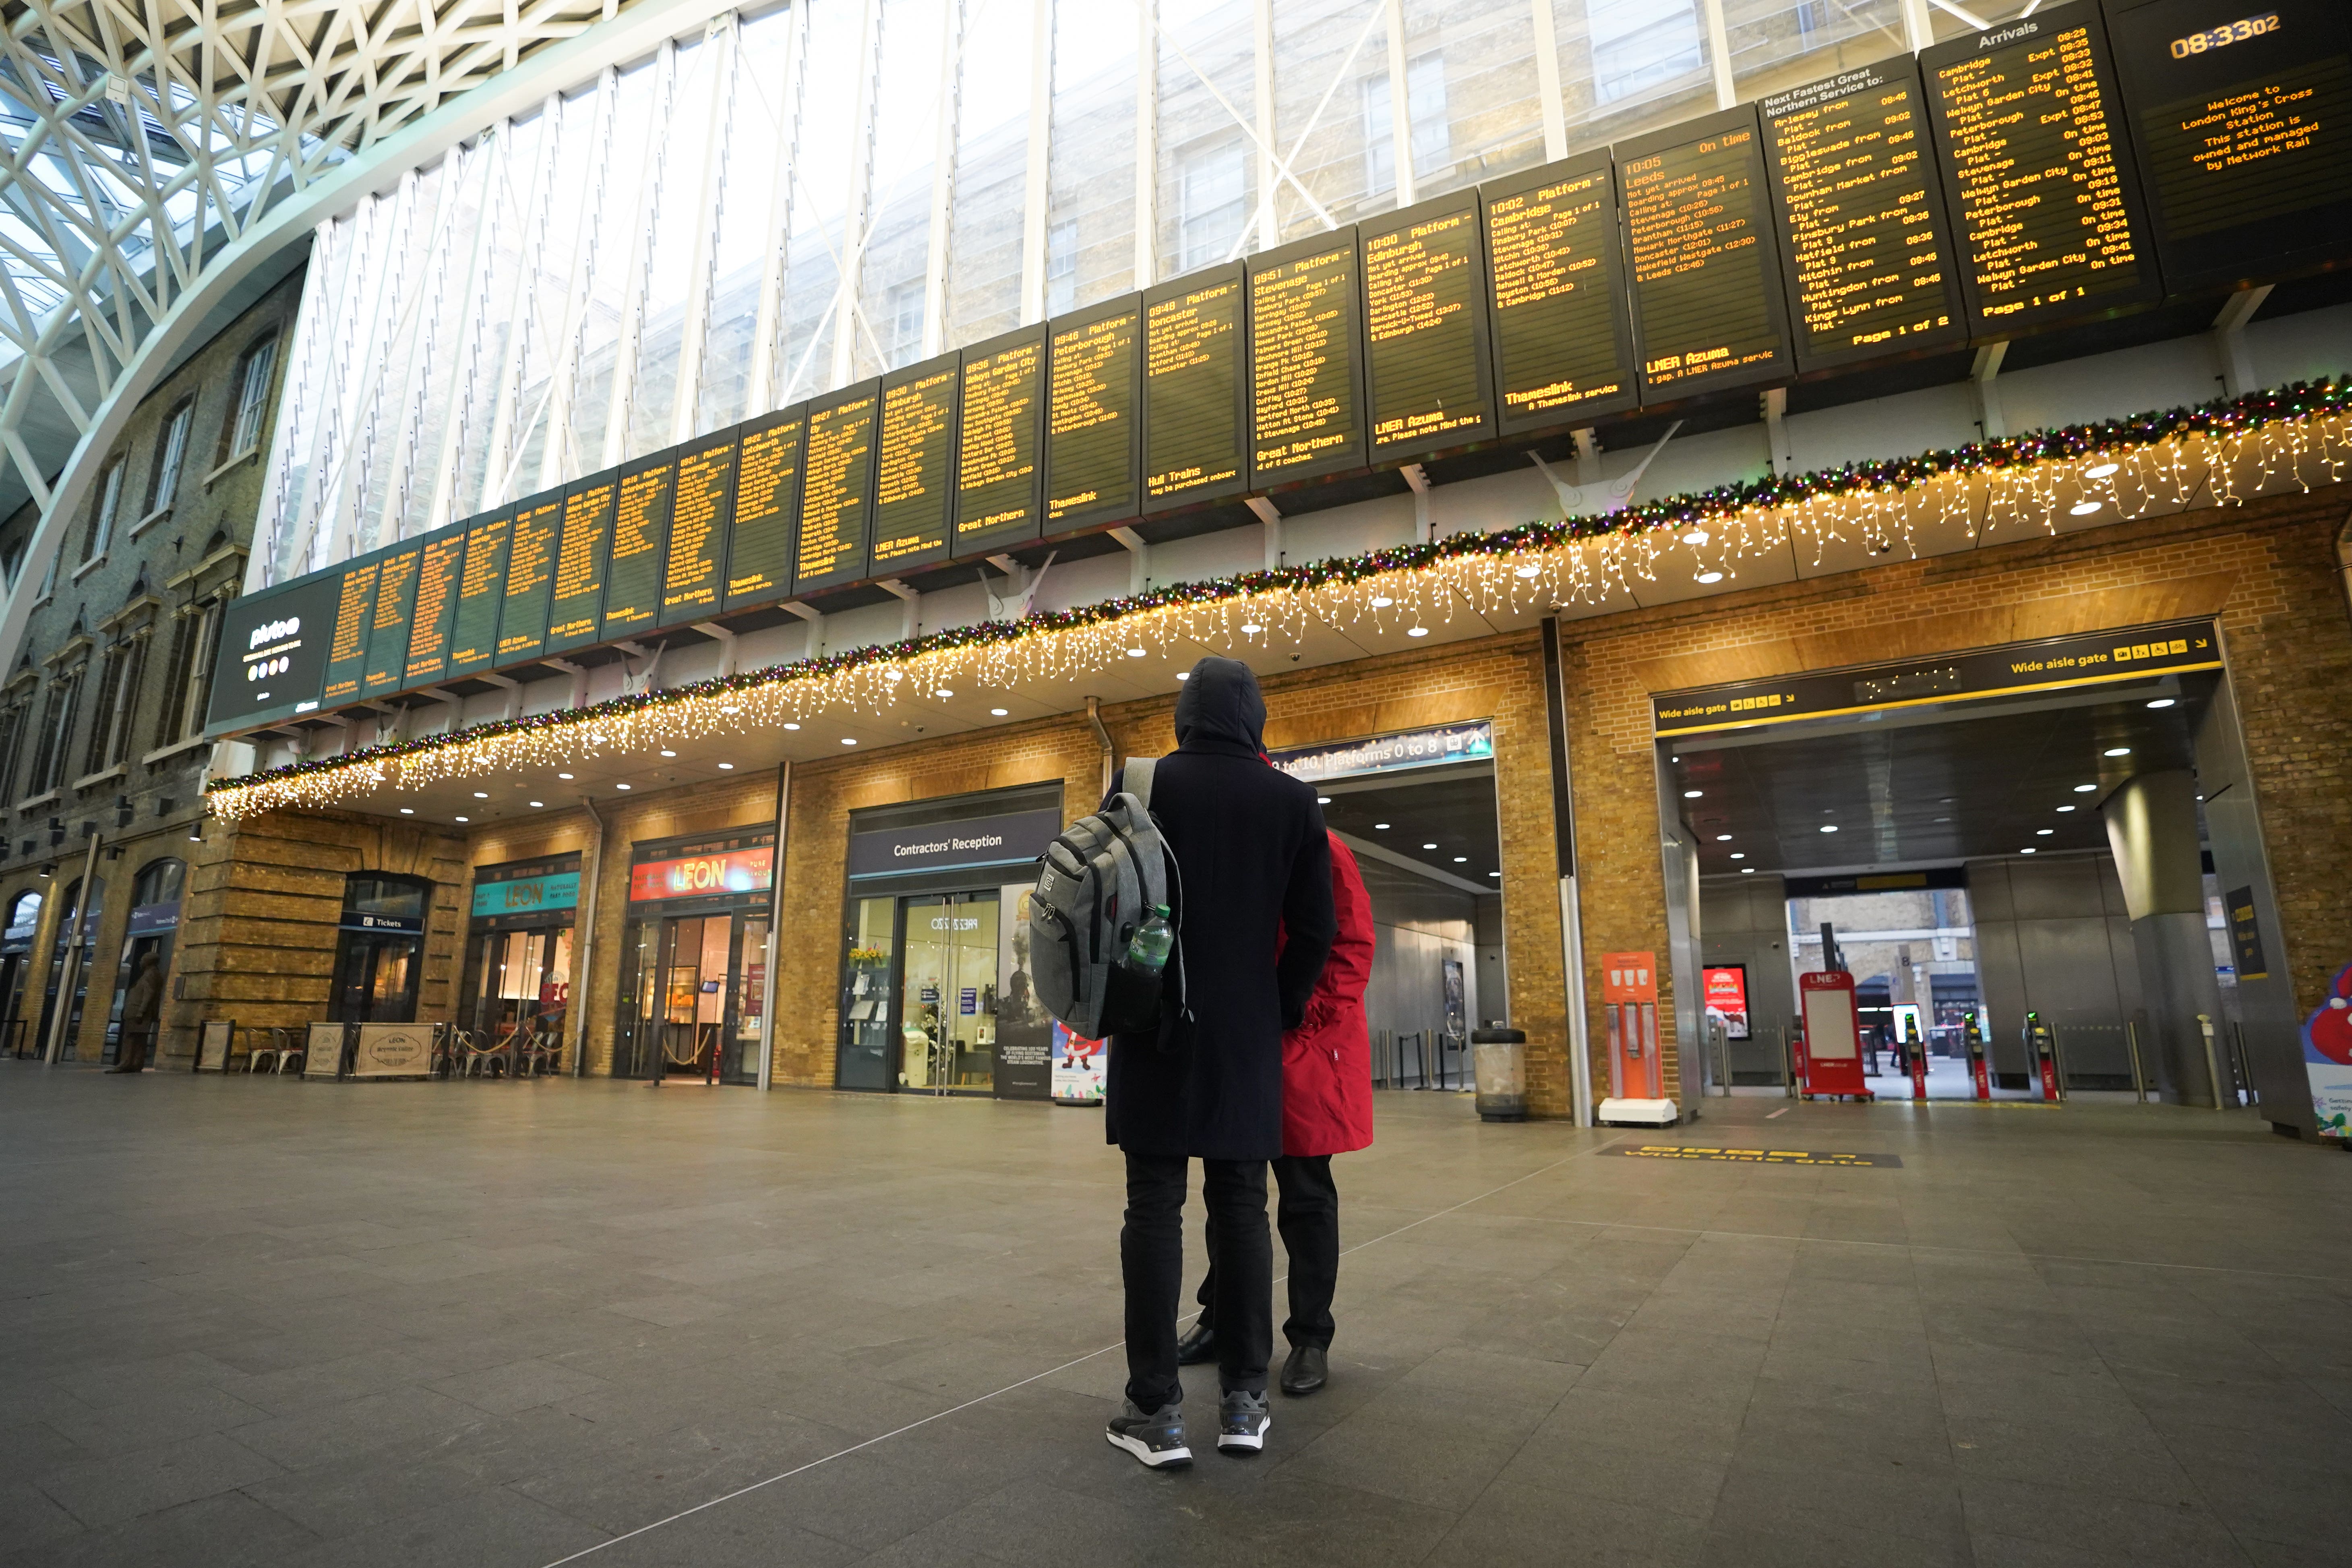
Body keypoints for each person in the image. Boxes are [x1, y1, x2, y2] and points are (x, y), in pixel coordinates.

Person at [1103, 657, 1334, 1470]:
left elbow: (1103, 908)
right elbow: (1316, 927)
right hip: (1243, 1038)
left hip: (1152, 1030)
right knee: (1240, 1208)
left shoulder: (1140, 783)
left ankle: (1155, 1410)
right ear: (1255, 716)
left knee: (1152, 1207)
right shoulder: (1291, 801)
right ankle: (1243, 1401)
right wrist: (1275, 1004)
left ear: (1184, 715)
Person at [1176, 828, 1374, 1397]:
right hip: (1241, 1040)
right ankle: (1220, 1318)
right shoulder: (1223, 840)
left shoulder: (1317, 843)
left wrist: (1300, 1013)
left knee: (1306, 1193)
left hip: (1304, 1042)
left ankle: (1311, 1335)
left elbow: (1351, 943)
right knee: (1229, 1190)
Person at [109, 950, 162, 1073]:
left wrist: (141, 1012)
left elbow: (149, 994)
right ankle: (135, 1064)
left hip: (138, 1013)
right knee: (139, 1039)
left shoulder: (151, 975)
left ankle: (126, 1064)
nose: (141, 961)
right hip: (139, 1012)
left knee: (131, 1038)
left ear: (148, 961)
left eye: (143, 959)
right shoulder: (151, 974)